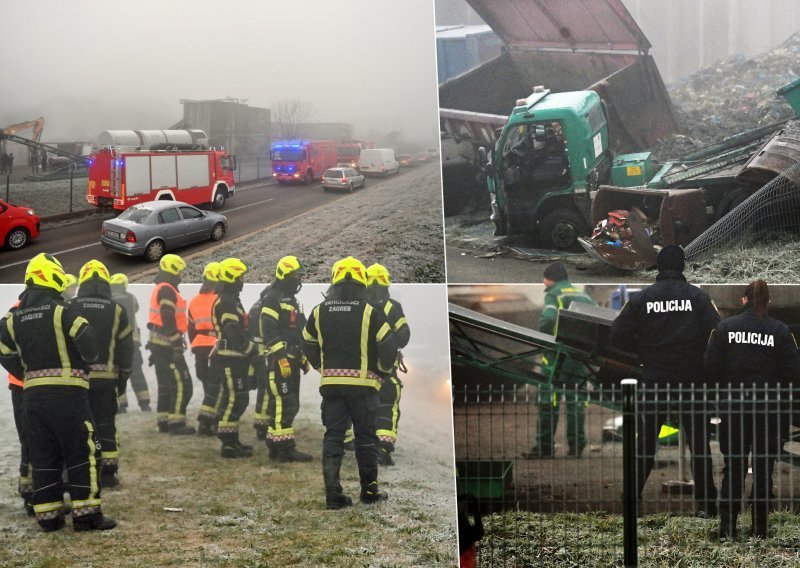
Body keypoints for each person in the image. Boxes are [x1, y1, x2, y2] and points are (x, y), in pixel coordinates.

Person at [0, 253, 116, 531]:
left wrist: (28, 374)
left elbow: (5, 353)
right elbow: (88, 344)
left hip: (32, 400)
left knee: (43, 456)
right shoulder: (63, 312)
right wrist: (81, 363)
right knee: (82, 453)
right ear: (52, 277)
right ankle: (86, 516)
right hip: (69, 397)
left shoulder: (12, 319)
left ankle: (49, 518)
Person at [610, 245, 721, 517]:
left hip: (655, 378)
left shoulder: (642, 298)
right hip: (691, 379)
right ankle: (706, 506)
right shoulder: (699, 298)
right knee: (698, 444)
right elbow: (718, 334)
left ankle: (631, 502)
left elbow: (617, 335)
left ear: (658, 267)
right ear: (682, 267)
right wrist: (703, 362)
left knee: (645, 443)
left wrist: (642, 352)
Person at [705, 280, 800, 540]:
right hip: (769, 413)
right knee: (762, 469)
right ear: (767, 303)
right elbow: (794, 371)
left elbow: (710, 366)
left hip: (734, 411)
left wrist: (725, 389)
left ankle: (727, 529)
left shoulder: (725, 328)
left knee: (733, 468)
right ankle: (759, 529)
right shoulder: (780, 331)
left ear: (743, 300)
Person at [302, 256, 398, 509]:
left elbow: (307, 343)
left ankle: (333, 495)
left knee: (333, 437)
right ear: (361, 283)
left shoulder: (319, 311)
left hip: (332, 388)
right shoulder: (371, 312)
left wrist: (322, 368)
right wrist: (382, 373)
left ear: (334, 282)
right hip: (364, 389)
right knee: (366, 439)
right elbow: (388, 349)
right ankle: (369, 491)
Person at [68, 260, 134, 488]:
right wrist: (124, 377)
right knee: (105, 425)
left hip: (76, 383)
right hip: (106, 382)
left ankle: (81, 472)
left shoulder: (70, 306)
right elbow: (126, 349)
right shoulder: (117, 309)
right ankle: (108, 474)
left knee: (78, 428)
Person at [524, 261, 595, 458]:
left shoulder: (554, 294)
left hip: (556, 359)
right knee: (576, 403)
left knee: (548, 402)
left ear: (551, 278)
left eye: (544, 279)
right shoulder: (584, 296)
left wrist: (546, 342)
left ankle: (545, 449)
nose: (543, 283)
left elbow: (548, 319)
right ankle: (577, 447)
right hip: (579, 360)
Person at [250, 255, 313, 462]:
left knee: (290, 404)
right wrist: (280, 355)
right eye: (295, 275)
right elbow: (268, 328)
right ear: (285, 275)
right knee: (283, 404)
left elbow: (297, 331)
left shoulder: (290, 300)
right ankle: (283, 448)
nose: (298, 279)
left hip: (292, 360)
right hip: (280, 361)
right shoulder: (273, 297)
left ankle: (276, 445)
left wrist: (302, 356)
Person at [212, 257, 260, 458]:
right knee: (236, 399)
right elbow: (232, 330)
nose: (243, 280)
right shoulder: (226, 302)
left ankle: (232, 440)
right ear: (232, 277)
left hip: (235, 358)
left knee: (235, 398)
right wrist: (251, 350)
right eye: (241, 276)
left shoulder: (231, 300)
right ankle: (228, 444)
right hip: (231, 359)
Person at [366, 263, 410, 466]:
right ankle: (382, 449)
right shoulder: (393, 307)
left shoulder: (359, 305)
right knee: (387, 405)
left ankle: (359, 444)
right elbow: (403, 336)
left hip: (359, 371)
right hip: (385, 371)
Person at [146, 254, 195, 435]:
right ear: (173, 270)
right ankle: (177, 423)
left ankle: (164, 422)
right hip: (167, 346)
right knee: (183, 384)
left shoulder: (161, 288)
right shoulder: (167, 290)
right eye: (180, 272)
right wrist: (176, 345)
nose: (181, 276)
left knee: (165, 384)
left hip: (158, 344)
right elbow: (167, 318)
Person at [110, 273, 151, 412]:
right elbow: (137, 308)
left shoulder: (108, 300)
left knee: (117, 374)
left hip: (114, 346)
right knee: (137, 373)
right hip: (132, 343)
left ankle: (121, 407)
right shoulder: (131, 298)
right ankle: (145, 404)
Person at [189, 262, 222, 436]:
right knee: (216, 388)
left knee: (209, 388)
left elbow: (191, 328)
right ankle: (207, 424)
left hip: (199, 348)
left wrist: (194, 346)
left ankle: (210, 423)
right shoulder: (219, 300)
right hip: (216, 348)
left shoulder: (194, 301)